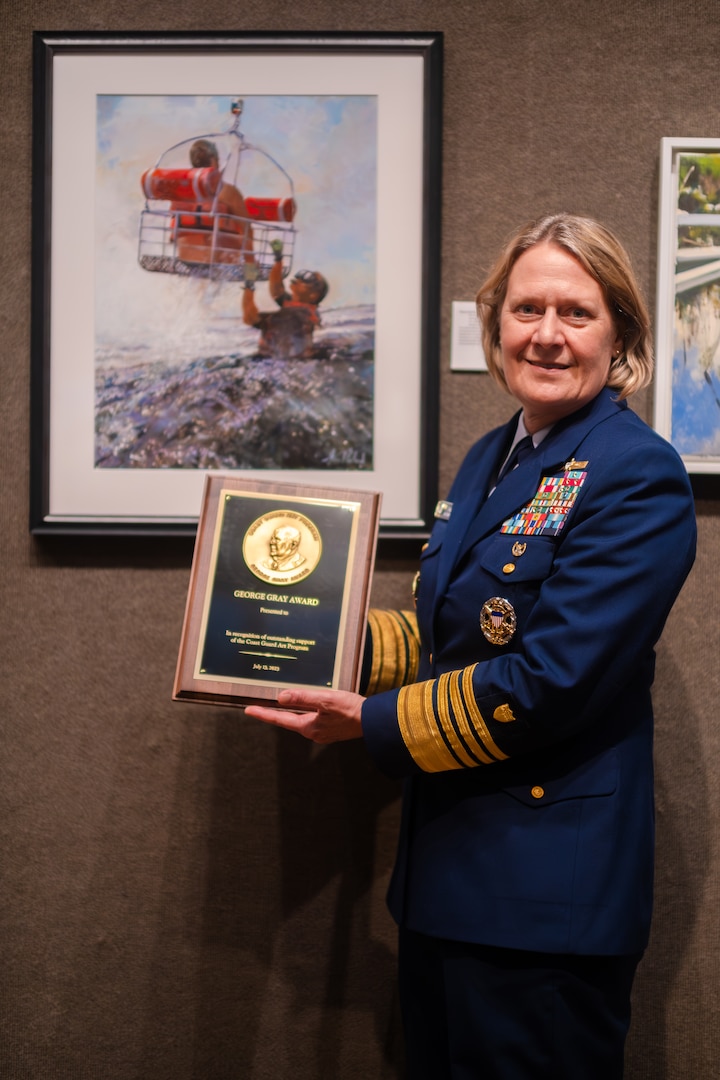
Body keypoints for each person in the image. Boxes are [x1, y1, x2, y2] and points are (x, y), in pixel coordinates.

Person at [245, 213, 697, 1079]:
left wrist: (369, 722)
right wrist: (295, 638)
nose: (548, 335)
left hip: (543, 896)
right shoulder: (495, 454)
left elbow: (550, 680)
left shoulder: (636, 472)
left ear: (621, 335)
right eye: (527, 309)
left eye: (577, 312)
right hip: (449, 877)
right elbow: (456, 632)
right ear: (496, 327)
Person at [242, 239, 328, 359]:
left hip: (271, 365)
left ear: (314, 295)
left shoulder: (298, 315)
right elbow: (276, 289)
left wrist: (249, 282)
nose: (300, 277)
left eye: (309, 279)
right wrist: (278, 259)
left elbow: (250, 317)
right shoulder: (299, 308)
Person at [174, 138, 254, 266]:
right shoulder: (228, 192)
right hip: (219, 265)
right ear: (214, 161)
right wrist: (251, 271)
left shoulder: (181, 193)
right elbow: (247, 232)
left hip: (187, 261)